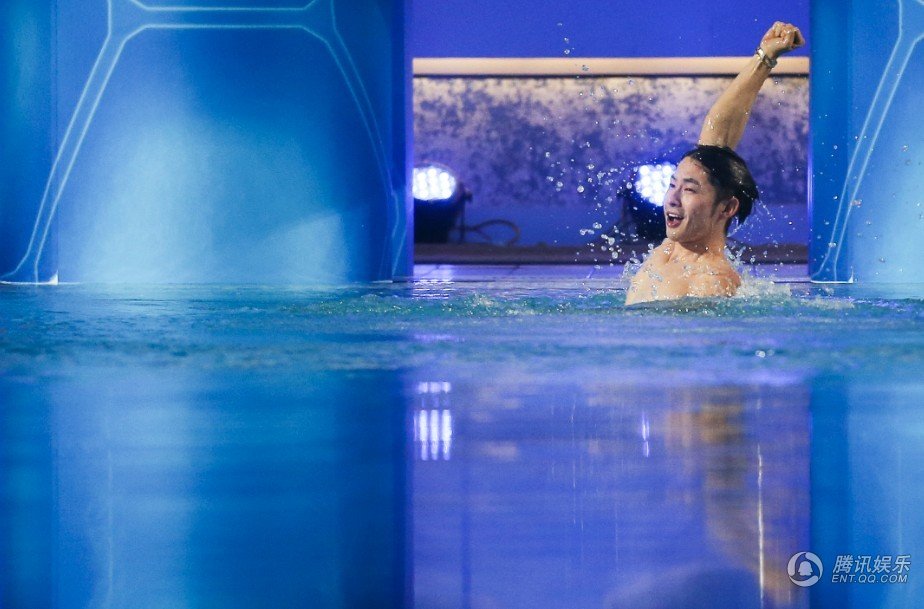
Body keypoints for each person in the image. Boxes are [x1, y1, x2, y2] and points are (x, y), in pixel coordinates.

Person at [625, 22, 805, 305]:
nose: (672, 199)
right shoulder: (671, 250)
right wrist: (765, 57)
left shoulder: (711, 281)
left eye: (689, 189)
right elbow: (718, 130)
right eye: (672, 185)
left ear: (727, 207)